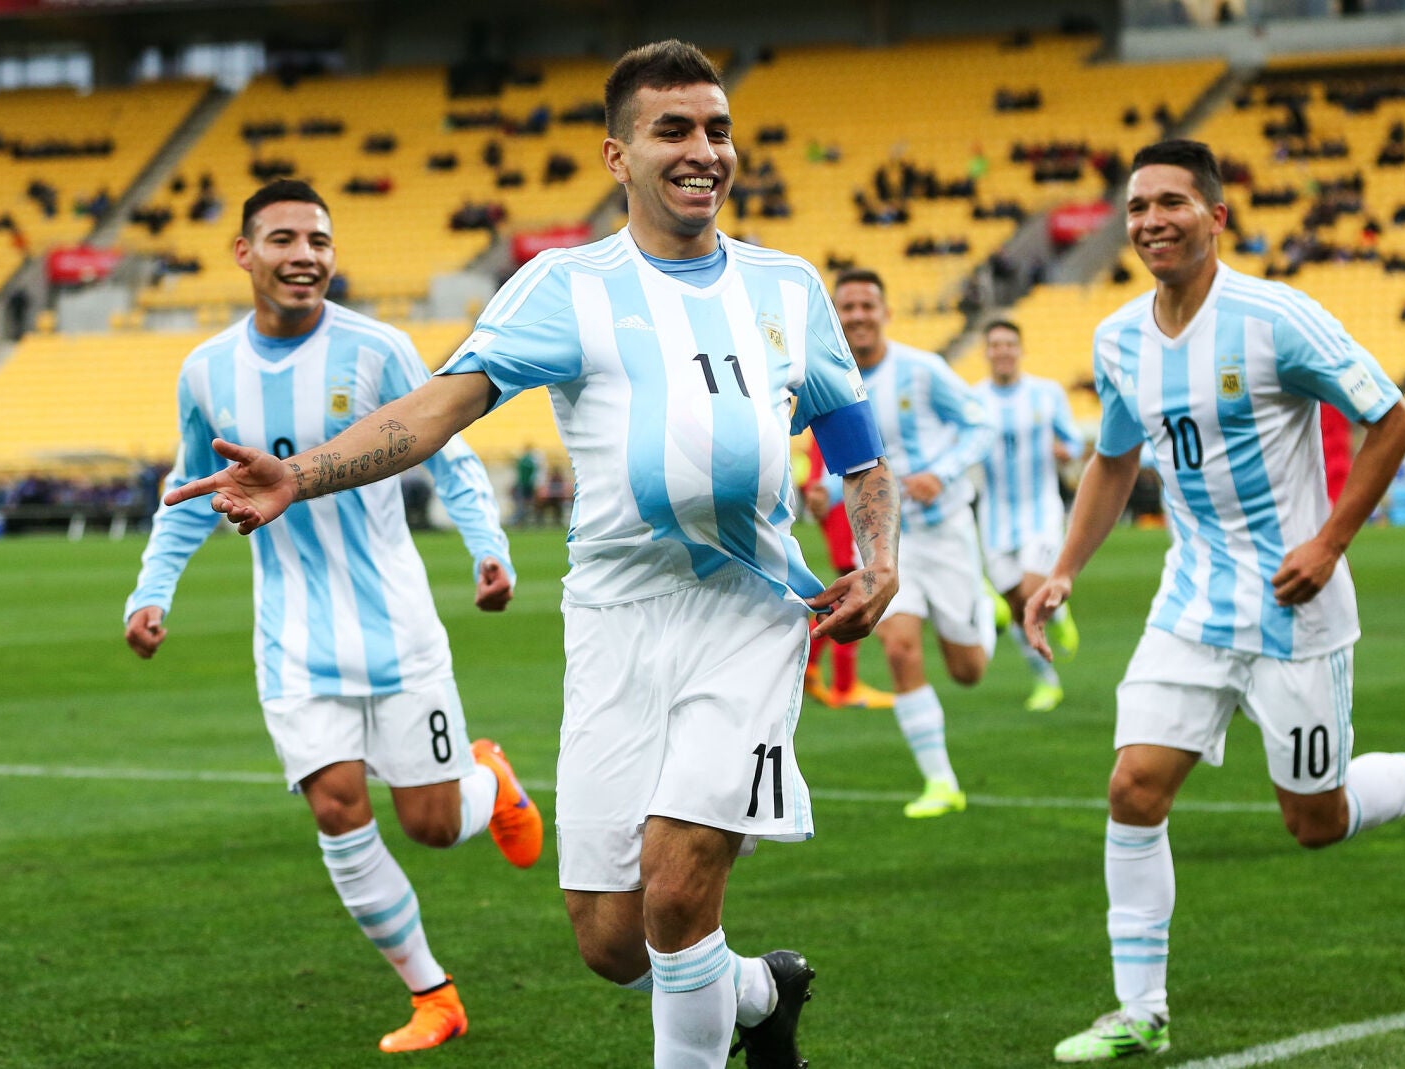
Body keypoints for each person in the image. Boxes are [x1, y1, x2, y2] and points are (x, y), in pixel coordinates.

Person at [164, 41, 900, 1069]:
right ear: (618, 154)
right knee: (613, 938)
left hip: (749, 613)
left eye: (718, 129)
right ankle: (759, 993)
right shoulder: (563, 286)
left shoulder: (787, 288)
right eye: (673, 130)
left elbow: (852, 436)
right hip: (612, 622)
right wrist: (306, 472)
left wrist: (879, 552)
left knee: (680, 890)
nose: (704, 151)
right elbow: (437, 410)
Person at [1023, 140, 1405, 1063]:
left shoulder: (1277, 318)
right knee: (1133, 789)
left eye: (1171, 203)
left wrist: (1327, 543)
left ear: (1216, 215)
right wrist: (1065, 565)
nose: (1152, 220)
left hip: (1294, 607)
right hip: (1191, 602)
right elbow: (1116, 459)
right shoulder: (1118, 338)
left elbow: (1392, 419)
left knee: (1313, 821)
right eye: (1137, 207)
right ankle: (1140, 1009)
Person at [123, 180, 545, 1055]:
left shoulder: (379, 349)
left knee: (431, 825)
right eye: (283, 238)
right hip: (293, 641)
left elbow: (452, 457)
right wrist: (151, 590)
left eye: (318, 238)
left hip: (398, 630)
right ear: (245, 253)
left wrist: (486, 547)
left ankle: (492, 781)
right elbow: (190, 493)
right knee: (338, 807)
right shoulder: (206, 371)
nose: (304, 253)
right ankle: (435, 994)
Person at [831, 266, 994, 819]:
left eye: (866, 306)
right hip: (884, 544)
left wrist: (942, 473)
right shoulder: (831, 384)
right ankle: (941, 782)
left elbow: (980, 423)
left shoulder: (923, 371)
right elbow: (840, 465)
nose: (857, 316)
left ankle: (985, 604)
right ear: (836, 316)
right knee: (898, 649)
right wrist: (817, 495)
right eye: (846, 308)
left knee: (968, 670)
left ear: (885, 313)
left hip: (944, 533)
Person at [973, 318, 1085, 712]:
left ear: (1020, 350)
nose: (1002, 350)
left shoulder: (1046, 393)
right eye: (995, 344)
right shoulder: (974, 399)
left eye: (1009, 343)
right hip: (995, 518)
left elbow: (1073, 438)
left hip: (1040, 512)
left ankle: (1050, 650)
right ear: (986, 352)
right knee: (1020, 609)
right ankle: (1047, 677)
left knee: (1029, 594)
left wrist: (1066, 450)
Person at [798, 434, 896, 709]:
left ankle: (812, 667)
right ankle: (841, 683)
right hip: (843, 496)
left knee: (859, 583)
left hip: (838, 491)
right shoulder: (854, 393)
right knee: (860, 584)